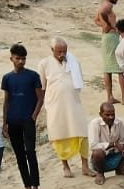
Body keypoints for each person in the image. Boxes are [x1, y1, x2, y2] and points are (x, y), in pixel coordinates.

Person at [37, 37, 92, 177]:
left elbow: (79, 80)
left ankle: (85, 166)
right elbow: (42, 87)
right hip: (55, 105)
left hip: (74, 103)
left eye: (64, 51)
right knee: (59, 135)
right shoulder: (44, 64)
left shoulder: (73, 61)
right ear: (52, 50)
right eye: (59, 51)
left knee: (82, 133)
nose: (62, 54)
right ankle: (65, 166)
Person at [1, 44, 44, 189]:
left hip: (27, 121)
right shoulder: (7, 78)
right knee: (19, 155)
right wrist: (4, 122)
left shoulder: (33, 76)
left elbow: (40, 97)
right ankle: (27, 188)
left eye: (23, 58)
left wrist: (33, 116)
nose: (21, 61)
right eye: (18, 58)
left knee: (30, 153)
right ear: (11, 58)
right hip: (13, 121)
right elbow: (6, 101)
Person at [86, 102, 124, 185]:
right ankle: (100, 173)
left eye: (113, 115)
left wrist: (121, 146)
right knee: (97, 152)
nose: (111, 117)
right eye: (107, 115)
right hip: (100, 158)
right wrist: (113, 144)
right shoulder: (94, 124)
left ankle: (120, 168)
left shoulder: (119, 122)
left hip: (115, 153)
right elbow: (93, 145)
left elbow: (122, 140)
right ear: (100, 114)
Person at [97, 0, 124, 106]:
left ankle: (110, 97)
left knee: (108, 68)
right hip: (111, 38)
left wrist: (105, 26)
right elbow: (102, 13)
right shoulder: (107, 5)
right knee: (120, 67)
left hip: (106, 37)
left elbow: (96, 19)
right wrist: (110, 26)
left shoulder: (103, 5)